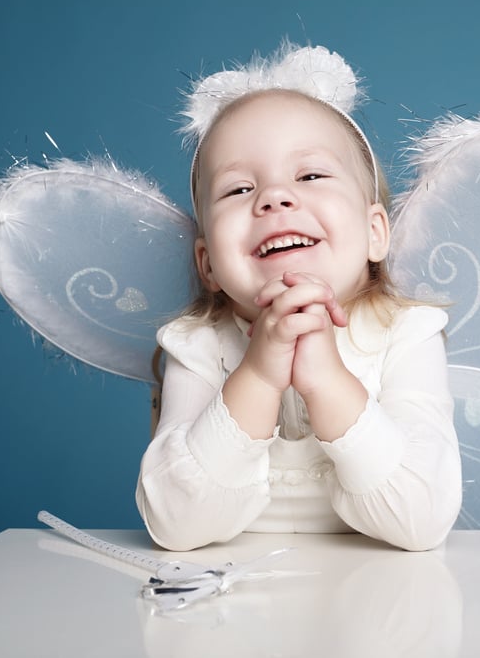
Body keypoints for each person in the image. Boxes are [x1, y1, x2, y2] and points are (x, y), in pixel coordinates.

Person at [135, 45, 462, 552]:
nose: (274, 197)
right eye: (238, 189)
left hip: (374, 590)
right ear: (208, 264)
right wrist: (258, 375)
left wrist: (329, 381)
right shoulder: (198, 345)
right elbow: (175, 525)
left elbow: (421, 523)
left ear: (375, 232)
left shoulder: (407, 334)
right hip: (233, 591)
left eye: (310, 176)